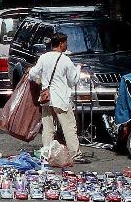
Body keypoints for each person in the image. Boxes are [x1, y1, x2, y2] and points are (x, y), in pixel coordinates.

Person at [29, 32, 89, 163]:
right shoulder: (66, 60)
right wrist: (79, 68)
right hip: (60, 99)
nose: (67, 45)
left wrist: (40, 80)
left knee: (48, 128)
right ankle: (75, 154)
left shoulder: (43, 57)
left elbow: (32, 74)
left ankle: (47, 152)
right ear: (61, 44)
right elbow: (73, 80)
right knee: (69, 126)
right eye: (66, 42)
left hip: (46, 98)